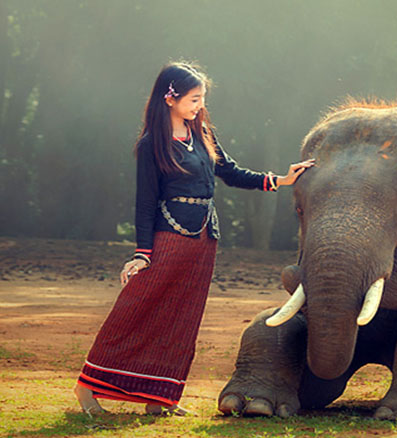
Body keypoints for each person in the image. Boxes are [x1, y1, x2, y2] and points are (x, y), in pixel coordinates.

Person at [73, 61, 315, 416]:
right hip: (167, 236)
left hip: (204, 239)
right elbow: (144, 203)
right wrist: (142, 253)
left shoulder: (202, 133)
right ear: (170, 98)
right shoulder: (151, 145)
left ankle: (159, 398)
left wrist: (280, 180)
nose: (198, 105)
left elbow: (230, 173)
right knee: (137, 307)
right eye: (193, 99)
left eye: (201, 99)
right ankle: (86, 388)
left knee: (181, 316)